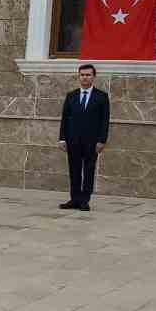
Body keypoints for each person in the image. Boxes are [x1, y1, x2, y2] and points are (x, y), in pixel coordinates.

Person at [58, 63, 109, 212]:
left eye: (88, 75)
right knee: (74, 170)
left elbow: (104, 120)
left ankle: (84, 200)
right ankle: (74, 199)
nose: (85, 77)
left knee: (88, 170)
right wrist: (62, 139)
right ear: (78, 76)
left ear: (93, 77)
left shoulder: (101, 97)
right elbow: (65, 119)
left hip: (92, 142)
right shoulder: (71, 96)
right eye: (82, 75)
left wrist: (102, 140)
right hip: (73, 140)